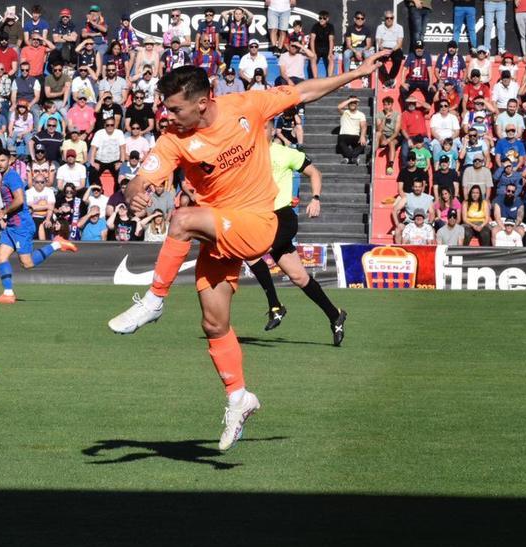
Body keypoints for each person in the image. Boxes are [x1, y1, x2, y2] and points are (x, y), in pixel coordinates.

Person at [107, 54, 387, 450]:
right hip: (220, 232)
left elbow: (304, 90)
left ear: (203, 101)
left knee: (182, 219)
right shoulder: (173, 140)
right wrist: (137, 195)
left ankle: (154, 301)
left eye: (174, 108)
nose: (166, 115)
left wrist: (357, 74)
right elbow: (140, 180)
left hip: (257, 222)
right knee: (214, 324)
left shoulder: (247, 106)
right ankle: (239, 398)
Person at [247, 123, 348, 343]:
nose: (260, 131)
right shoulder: (248, 155)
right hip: (263, 219)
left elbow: (314, 173)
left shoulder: (285, 153)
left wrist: (316, 198)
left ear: (273, 131)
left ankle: (275, 306)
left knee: (252, 253)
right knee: (299, 277)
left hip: (283, 217)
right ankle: (336, 315)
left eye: (265, 127)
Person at [0, 149, 78, 303]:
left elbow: (19, 200)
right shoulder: (3, 177)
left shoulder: (12, 177)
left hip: (21, 225)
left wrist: (2, 212)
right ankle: (8, 294)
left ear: (10, 160)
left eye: (2, 160)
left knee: (27, 263)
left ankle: (57, 244)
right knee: (1, 256)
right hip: (12, 225)